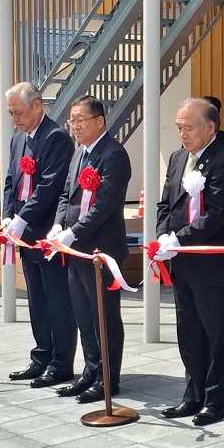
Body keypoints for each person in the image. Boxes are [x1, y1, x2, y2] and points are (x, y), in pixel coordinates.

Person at [155, 98, 224, 425]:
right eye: (178, 127)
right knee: (189, 331)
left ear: (210, 127)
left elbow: (218, 214)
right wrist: (163, 235)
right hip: (181, 262)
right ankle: (192, 394)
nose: (182, 134)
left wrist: (179, 239)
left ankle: (217, 399)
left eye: (188, 127)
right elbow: (165, 203)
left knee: (217, 331)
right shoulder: (179, 158)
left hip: (211, 262)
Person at [50, 95, 132, 404]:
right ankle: (90, 371)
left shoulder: (114, 155)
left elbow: (104, 206)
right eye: (72, 120)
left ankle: (108, 379)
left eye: (81, 120)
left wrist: (72, 234)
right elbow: (65, 196)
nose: (74, 126)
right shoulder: (77, 155)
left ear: (99, 122)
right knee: (84, 316)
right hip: (75, 250)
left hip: (101, 251)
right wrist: (59, 226)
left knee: (104, 317)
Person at [1, 83, 77, 388]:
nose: (15, 119)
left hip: (47, 233)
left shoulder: (56, 137)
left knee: (57, 299)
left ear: (37, 106)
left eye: (18, 112)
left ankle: (62, 362)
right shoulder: (18, 138)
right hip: (23, 232)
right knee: (36, 299)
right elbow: (10, 180)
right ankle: (41, 356)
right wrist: (8, 216)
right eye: (10, 114)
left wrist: (22, 219)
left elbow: (49, 186)